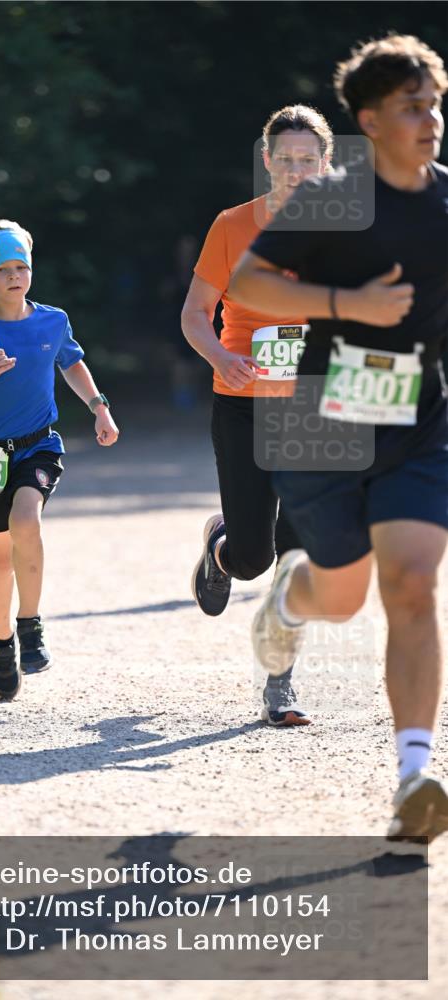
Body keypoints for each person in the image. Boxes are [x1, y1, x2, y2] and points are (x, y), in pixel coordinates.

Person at [229, 35, 448, 842]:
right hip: (319, 420)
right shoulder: (330, 197)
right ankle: (288, 601)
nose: (430, 120)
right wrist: (347, 305)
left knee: (412, 583)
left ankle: (413, 776)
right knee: (343, 596)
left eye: (434, 104)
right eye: (411, 107)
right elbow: (249, 282)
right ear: (369, 121)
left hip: (415, 420)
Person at [181, 105, 333, 726]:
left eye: (308, 160)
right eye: (286, 159)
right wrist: (222, 355)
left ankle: (280, 683)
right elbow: (195, 314)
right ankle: (221, 550)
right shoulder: (232, 226)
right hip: (242, 402)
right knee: (253, 558)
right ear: (267, 161)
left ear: (326, 164)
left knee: (298, 555)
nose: (297, 170)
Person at [0, 219, 119, 701]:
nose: (14, 276)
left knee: (26, 519)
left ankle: (30, 623)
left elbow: (71, 362)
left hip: (38, 446)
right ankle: (2, 644)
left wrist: (99, 407)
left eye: (21, 266)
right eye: (3, 269)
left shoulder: (52, 321)